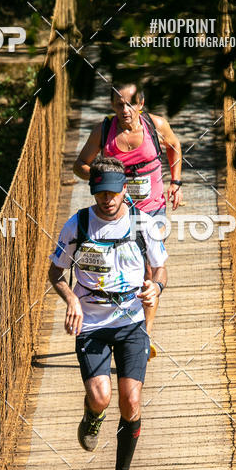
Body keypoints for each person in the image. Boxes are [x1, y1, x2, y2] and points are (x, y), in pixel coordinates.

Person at [48, 156, 168, 470]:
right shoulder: (78, 224)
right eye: (101, 193)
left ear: (123, 190)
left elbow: (160, 270)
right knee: (101, 396)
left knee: (131, 401)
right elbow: (55, 274)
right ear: (93, 190)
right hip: (93, 323)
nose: (107, 199)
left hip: (131, 322)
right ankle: (92, 413)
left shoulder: (143, 225)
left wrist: (155, 289)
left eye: (113, 192)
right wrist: (71, 300)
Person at [72, 81, 182, 356]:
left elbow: (175, 147)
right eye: (119, 104)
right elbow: (80, 165)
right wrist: (103, 178)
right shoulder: (104, 131)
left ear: (141, 104)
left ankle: (144, 333)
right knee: (128, 266)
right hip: (120, 212)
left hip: (153, 208)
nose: (125, 110)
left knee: (149, 268)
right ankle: (125, 325)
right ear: (112, 105)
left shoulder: (156, 125)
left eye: (130, 103)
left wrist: (176, 182)